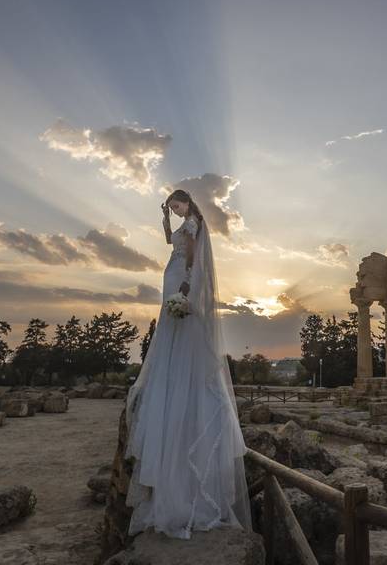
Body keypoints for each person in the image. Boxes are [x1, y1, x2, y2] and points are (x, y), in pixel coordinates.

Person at [123, 189, 252, 539]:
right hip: (173, 279)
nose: (175, 210)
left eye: (176, 205)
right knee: (170, 336)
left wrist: (185, 285)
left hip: (181, 280)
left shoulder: (193, 222)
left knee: (183, 336)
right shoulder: (180, 224)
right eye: (171, 207)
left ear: (186, 202)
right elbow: (170, 241)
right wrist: (164, 219)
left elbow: (192, 257)